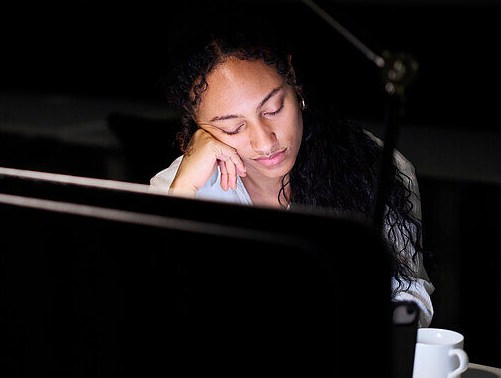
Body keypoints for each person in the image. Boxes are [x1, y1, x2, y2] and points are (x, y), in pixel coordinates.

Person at [149, 34, 435, 326]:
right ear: (198, 124)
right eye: (234, 128)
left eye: (273, 109)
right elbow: (154, 304)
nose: (264, 142)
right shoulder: (178, 187)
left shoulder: (373, 168)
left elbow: (409, 296)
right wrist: (183, 191)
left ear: (293, 80)